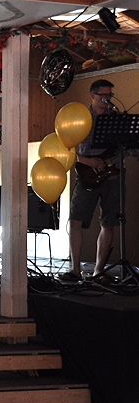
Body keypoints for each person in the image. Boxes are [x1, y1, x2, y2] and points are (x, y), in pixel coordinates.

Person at [61, 79, 122, 283]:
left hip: (113, 176)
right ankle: (75, 270)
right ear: (92, 95)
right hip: (87, 175)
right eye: (103, 95)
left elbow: (124, 146)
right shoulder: (80, 118)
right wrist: (89, 161)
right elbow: (66, 149)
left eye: (110, 95)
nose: (107, 99)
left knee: (109, 222)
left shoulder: (117, 119)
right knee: (76, 220)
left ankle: (98, 271)